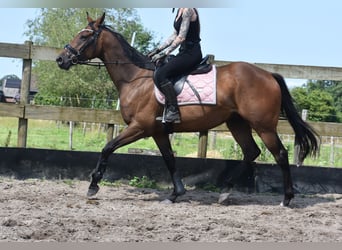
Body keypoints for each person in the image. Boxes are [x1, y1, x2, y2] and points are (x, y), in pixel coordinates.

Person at [148, 8, 203, 123]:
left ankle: (173, 111)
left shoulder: (188, 10)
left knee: (162, 74)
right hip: (183, 52)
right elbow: (174, 35)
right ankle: (165, 108)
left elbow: (181, 37)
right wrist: (157, 49)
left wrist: (165, 53)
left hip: (192, 53)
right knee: (160, 68)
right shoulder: (179, 10)